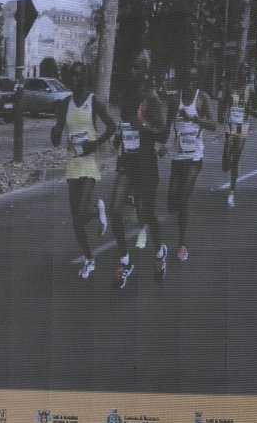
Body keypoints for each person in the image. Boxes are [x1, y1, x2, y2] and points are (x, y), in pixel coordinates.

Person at [110, 52, 169, 288]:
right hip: (127, 161)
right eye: (130, 68)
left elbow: (163, 134)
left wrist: (142, 126)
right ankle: (125, 260)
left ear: (145, 71)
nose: (132, 72)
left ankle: (159, 251)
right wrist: (118, 137)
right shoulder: (126, 96)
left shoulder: (151, 98)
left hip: (146, 162)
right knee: (115, 209)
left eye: (136, 68)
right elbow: (125, 127)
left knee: (146, 214)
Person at [50, 72, 116, 279]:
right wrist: (55, 129)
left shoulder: (92, 101)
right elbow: (56, 138)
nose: (75, 78)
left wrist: (94, 144)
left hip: (89, 163)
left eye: (79, 74)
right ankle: (89, 258)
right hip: (73, 163)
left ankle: (96, 215)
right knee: (76, 221)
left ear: (85, 79)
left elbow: (112, 126)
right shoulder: (65, 104)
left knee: (79, 211)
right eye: (73, 75)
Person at [165, 68, 217, 262]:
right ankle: (181, 216)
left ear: (196, 83)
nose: (188, 85)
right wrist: (160, 144)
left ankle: (182, 244)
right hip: (178, 156)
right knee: (172, 203)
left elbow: (213, 124)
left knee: (184, 197)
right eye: (185, 81)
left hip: (194, 156)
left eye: (192, 82)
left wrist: (195, 119)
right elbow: (166, 127)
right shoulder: (173, 100)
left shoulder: (202, 98)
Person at [221, 67, 254, 208]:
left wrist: (250, 111)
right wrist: (225, 118)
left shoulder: (249, 91)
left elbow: (252, 108)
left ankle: (232, 191)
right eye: (242, 75)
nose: (244, 78)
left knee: (235, 160)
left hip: (242, 126)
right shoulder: (231, 88)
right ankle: (228, 172)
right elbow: (227, 105)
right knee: (226, 160)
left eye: (246, 76)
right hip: (231, 124)